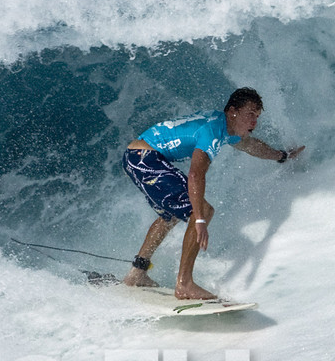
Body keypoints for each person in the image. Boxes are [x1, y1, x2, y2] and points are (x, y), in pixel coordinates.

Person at [120, 87, 303, 298]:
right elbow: (196, 175)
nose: (254, 122)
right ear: (233, 111)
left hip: (138, 156)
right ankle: (184, 284)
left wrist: (282, 156)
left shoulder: (225, 127)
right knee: (203, 210)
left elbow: (250, 145)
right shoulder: (213, 132)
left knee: (170, 215)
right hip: (144, 158)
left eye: (257, 116)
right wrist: (199, 219)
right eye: (250, 114)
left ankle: (137, 273)